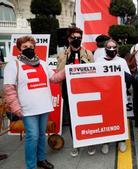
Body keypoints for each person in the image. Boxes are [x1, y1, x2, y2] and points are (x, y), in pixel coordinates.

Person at [4, 36, 66, 169]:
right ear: (19, 48)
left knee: (41, 135)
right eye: (25, 47)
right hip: (27, 108)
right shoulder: (13, 64)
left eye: (31, 47)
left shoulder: (42, 63)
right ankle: (31, 165)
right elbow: (9, 88)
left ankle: (41, 159)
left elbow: (54, 78)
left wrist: (67, 70)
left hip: (43, 106)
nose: (29, 49)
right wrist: (15, 106)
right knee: (32, 136)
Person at [57, 27, 95, 157]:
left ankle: (90, 142)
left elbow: (94, 72)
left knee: (87, 117)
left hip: (85, 91)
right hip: (68, 91)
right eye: (74, 38)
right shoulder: (62, 54)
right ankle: (77, 144)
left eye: (79, 38)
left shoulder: (88, 53)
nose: (77, 40)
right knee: (73, 119)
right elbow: (58, 73)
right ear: (69, 39)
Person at [97, 39, 132, 154]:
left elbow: (129, 79)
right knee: (106, 121)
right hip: (104, 97)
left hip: (119, 96)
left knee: (120, 119)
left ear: (117, 48)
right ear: (105, 49)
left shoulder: (121, 61)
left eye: (114, 47)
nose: (112, 49)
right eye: (109, 47)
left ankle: (121, 140)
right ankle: (105, 142)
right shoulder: (99, 61)